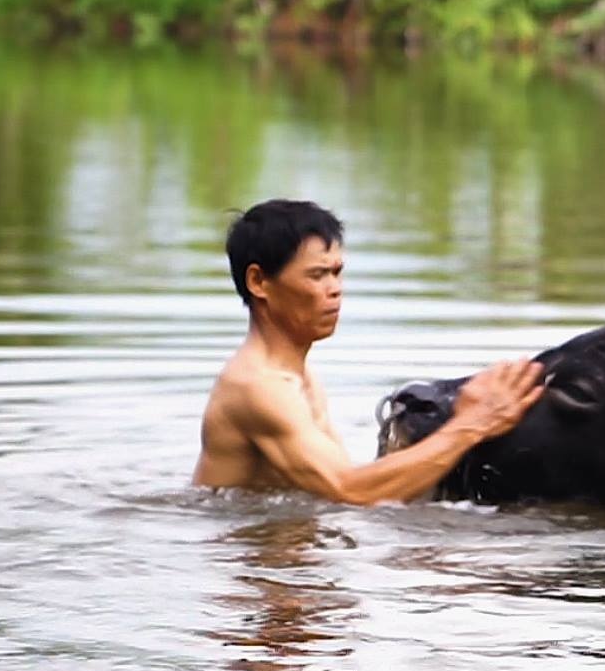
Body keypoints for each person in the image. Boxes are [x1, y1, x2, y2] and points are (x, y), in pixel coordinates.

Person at [193, 199, 542, 503]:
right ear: (259, 282)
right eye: (317, 276)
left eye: (337, 273)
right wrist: (475, 423)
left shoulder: (297, 375)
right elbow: (349, 492)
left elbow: (347, 486)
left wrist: (453, 418)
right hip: (252, 569)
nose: (335, 290)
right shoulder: (257, 387)